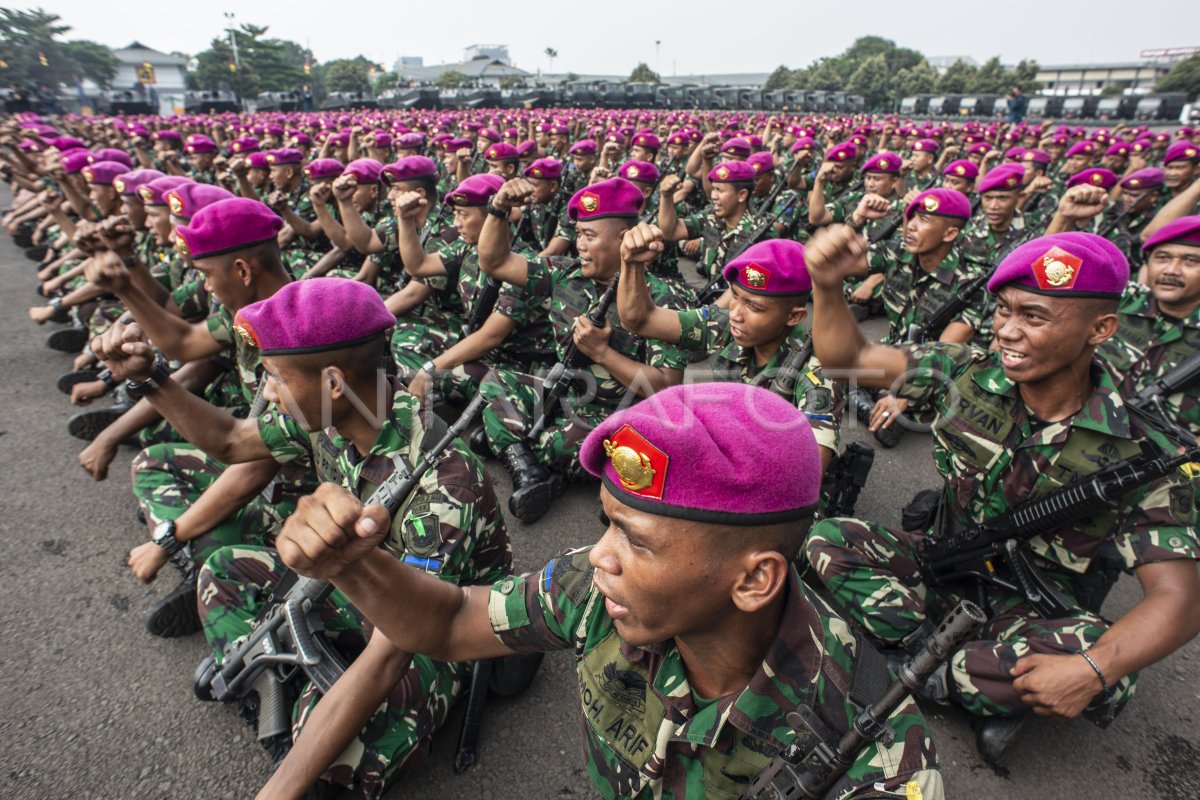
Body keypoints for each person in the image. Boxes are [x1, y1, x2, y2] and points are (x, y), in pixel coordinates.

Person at [271, 380, 944, 800]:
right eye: (607, 525)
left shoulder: (872, 762)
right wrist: (353, 563)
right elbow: (447, 622)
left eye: (637, 540)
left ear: (754, 579)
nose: (600, 556)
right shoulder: (599, 593)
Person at [92, 277, 510, 800]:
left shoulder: (445, 483)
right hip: (354, 586)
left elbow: (395, 650)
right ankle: (284, 687)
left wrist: (279, 788)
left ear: (333, 382)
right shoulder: (333, 418)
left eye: (274, 379)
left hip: (428, 630)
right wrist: (151, 379)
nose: (266, 392)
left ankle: (295, 702)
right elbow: (228, 440)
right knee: (221, 570)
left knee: (331, 763)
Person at [801, 224, 1200, 764]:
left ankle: (923, 667)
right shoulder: (966, 372)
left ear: (1101, 328)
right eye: (1003, 311)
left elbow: (1179, 598)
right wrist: (826, 287)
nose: (1008, 332)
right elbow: (847, 356)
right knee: (825, 537)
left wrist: (1091, 670)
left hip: (1027, 608)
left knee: (1109, 670)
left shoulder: (1140, 453)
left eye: (1033, 317)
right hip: (939, 562)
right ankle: (957, 672)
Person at [617, 233, 842, 468]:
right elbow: (640, 319)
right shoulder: (727, 325)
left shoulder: (818, 371)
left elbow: (807, 472)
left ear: (794, 316)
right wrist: (631, 263)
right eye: (735, 295)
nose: (735, 313)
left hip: (777, 480)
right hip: (729, 450)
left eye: (754, 306)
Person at [1100, 216, 1200, 438]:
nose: (1172, 270)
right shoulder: (1119, 300)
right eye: (1162, 258)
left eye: (1191, 261)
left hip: (1156, 465)